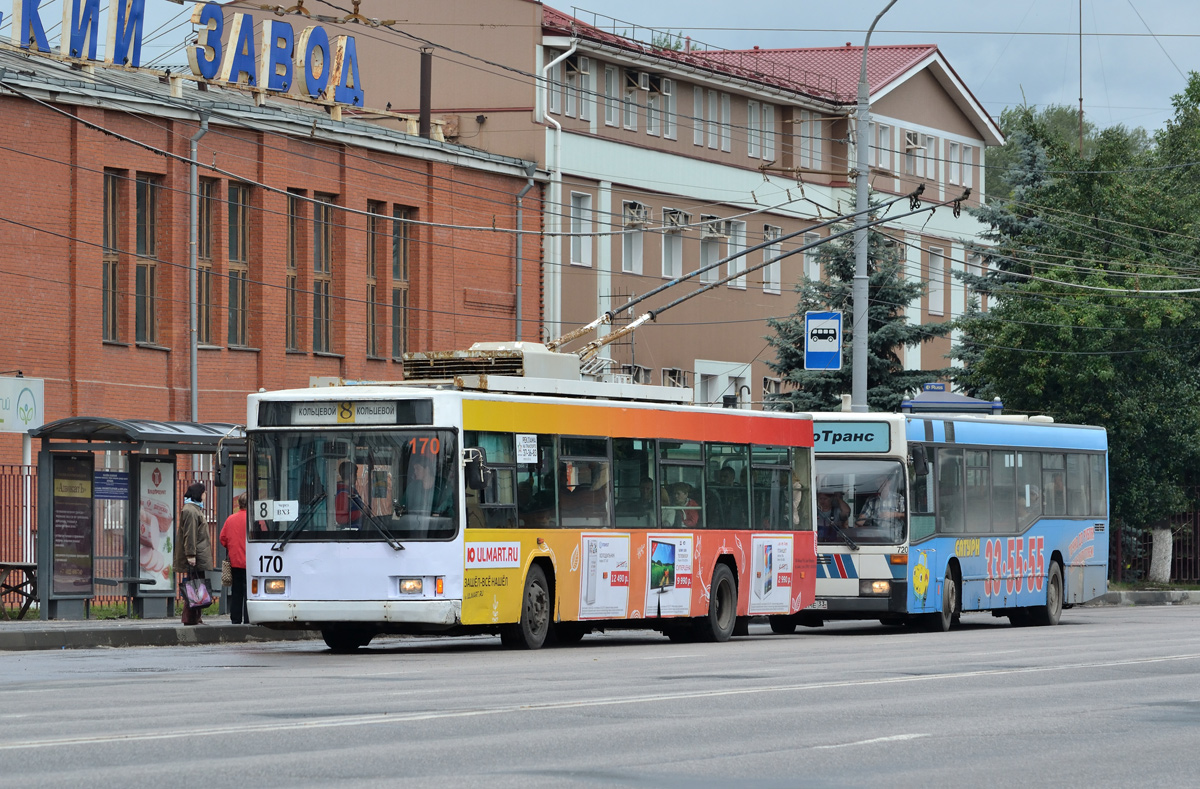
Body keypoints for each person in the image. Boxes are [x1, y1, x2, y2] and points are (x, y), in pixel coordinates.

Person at [174, 482, 212, 626]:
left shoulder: (194, 509)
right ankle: (189, 618)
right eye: (204, 492)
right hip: (195, 555)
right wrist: (191, 555)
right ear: (198, 493)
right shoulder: (190, 511)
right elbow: (190, 535)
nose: (205, 494)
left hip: (198, 554)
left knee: (197, 586)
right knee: (193, 586)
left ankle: (196, 617)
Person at [219, 492, 249, 625]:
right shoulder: (254, 520)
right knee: (250, 593)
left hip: (235, 561)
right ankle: (249, 618)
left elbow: (223, 538)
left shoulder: (230, 519)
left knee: (236, 591)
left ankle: (235, 618)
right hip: (251, 562)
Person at [856, 474, 906, 538]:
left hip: (895, 539)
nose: (881, 483)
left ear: (889, 483)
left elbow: (907, 516)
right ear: (876, 484)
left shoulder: (898, 498)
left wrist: (894, 514)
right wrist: (858, 523)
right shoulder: (871, 500)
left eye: (883, 481)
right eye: (878, 481)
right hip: (877, 538)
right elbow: (862, 518)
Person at [335, 460, 365, 528]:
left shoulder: (350, 491)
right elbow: (340, 518)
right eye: (355, 474)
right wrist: (360, 513)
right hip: (349, 532)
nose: (356, 478)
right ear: (351, 475)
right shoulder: (343, 493)